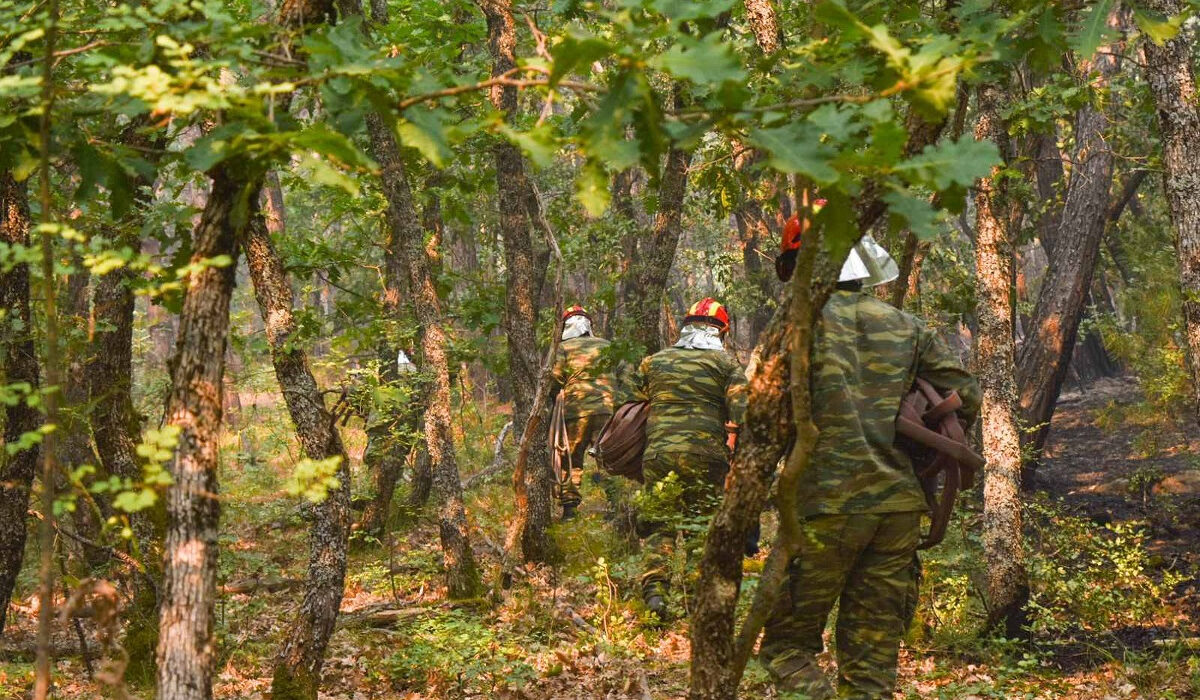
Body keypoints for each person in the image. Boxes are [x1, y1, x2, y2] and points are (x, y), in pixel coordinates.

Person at [759, 215, 981, 699]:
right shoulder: (908, 327)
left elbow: (759, 416)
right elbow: (965, 396)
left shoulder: (794, 327)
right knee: (872, 663)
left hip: (825, 508)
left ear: (802, 265)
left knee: (784, 648)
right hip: (896, 512)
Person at [630, 298, 747, 620]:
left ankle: (655, 594)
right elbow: (743, 413)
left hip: (658, 454)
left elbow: (630, 407)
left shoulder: (653, 362)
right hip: (707, 456)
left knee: (659, 526)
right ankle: (698, 601)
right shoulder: (727, 366)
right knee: (701, 527)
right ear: (721, 331)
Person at [551, 305, 616, 521]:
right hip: (606, 411)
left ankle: (570, 510)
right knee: (607, 458)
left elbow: (555, 378)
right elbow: (624, 375)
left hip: (575, 411)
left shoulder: (563, 348)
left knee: (571, 458)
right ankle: (616, 505)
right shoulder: (607, 346)